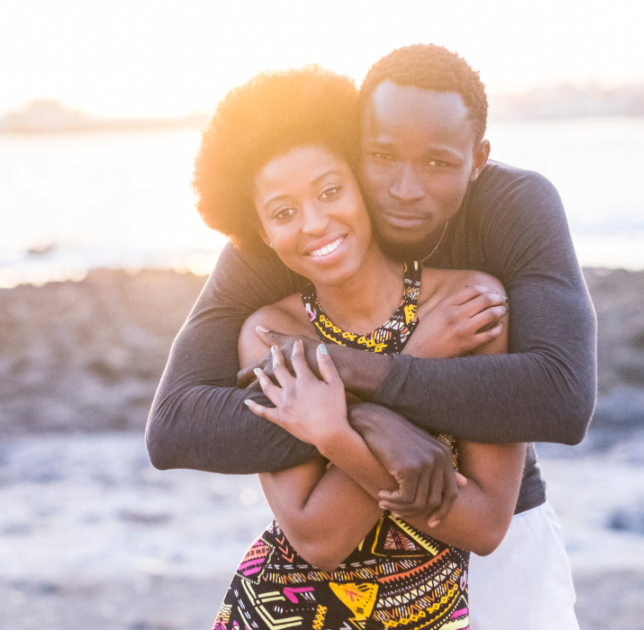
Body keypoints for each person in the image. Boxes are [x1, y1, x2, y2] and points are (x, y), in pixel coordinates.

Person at [148, 44, 595, 629]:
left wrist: (352, 377)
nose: (406, 189)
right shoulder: (288, 239)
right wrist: (375, 416)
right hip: (323, 593)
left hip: (499, 545)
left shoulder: (506, 220)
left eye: (437, 162)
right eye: (382, 155)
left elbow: (560, 399)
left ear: (477, 158)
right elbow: (177, 425)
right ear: (356, 145)